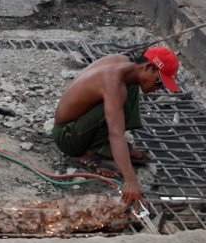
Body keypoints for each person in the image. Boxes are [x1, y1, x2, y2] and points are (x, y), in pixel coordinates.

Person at [52, 46, 180, 207]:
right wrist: (131, 181)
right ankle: (90, 153)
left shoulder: (124, 64)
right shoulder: (113, 82)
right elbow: (115, 133)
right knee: (114, 109)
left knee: (131, 85)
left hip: (78, 124)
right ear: (148, 67)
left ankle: (109, 148)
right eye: (160, 82)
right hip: (67, 136)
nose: (159, 88)